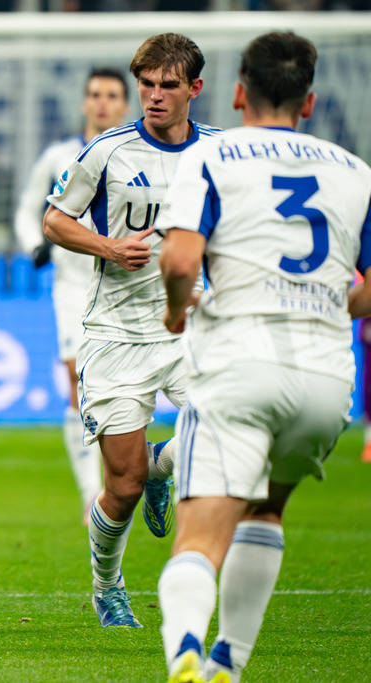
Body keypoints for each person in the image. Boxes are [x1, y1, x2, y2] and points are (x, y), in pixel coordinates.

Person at [156, 32, 371, 682]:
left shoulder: (211, 155)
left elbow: (180, 260)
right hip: (327, 379)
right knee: (267, 509)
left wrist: (176, 309)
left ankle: (185, 649)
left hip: (239, 363)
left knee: (199, 540)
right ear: (309, 103)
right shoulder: (356, 172)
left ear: (238, 92)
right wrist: (333, 305)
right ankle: (230, 660)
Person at [42, 33, 220, 628]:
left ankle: (164, 466)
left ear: (194, 88)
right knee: (123, 485)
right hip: (118, 333)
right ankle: (108, 586)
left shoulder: (220, 153)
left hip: (192, 327)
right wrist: (108, 247)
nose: (154, 95)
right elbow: (54, 221)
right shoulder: (106, 152)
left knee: (221, 436)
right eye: (146, 84)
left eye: (168, 85)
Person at [14, 67, 130, 525]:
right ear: (84, 102)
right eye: (95, 94)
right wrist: (34, 246)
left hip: (126, 285)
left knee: (121, 394)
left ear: (125, 105)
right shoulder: (59, 157)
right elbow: (28, 210)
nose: (102, 103)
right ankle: (91, 496)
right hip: (74, 285)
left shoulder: (136, 155)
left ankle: (138, 476)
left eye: (112, 95)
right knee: (78, 386)